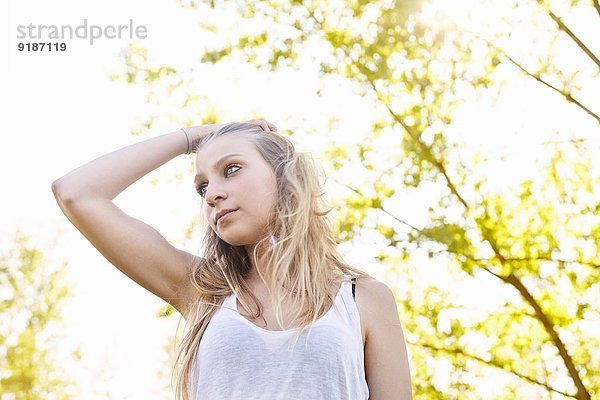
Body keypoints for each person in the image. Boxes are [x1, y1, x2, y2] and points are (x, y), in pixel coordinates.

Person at [51, 119, 412, 400]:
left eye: (232, 169)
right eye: (202, 186)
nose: (212, 194)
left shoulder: (363, 299)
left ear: (286, 178)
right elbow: (77, 192)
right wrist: (194, 138)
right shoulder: (202, 292)